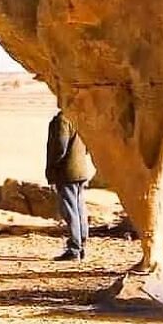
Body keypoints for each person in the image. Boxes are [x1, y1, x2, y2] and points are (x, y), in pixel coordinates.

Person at [45, 111, 90, 262]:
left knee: (70, 211)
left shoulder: (63, 120)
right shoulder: (81, 117)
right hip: (81, 170)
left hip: (66, 172)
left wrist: (52, 168)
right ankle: (81, 245)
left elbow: (59, 147)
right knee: (79, 209)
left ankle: (74, 249)